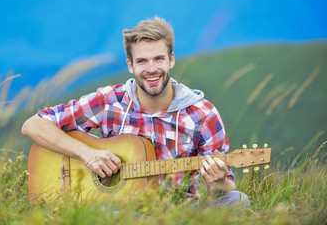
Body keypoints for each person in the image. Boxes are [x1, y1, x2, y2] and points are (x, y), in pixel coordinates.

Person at [21, 16, 249, 208]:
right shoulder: (109, 101)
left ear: (171, 60)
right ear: (130, 65)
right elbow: (33, 125)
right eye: (142, 61)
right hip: (120, 211)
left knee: (237, 201)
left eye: (159, 58)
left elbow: (226, 186)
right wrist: (87, 154)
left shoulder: (203, 114)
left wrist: (218, 181)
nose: (151, 69)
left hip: (181, 213)